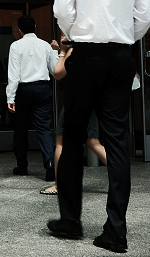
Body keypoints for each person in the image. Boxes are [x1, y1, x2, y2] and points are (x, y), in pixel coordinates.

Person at [49, 0, 150, 253]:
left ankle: (70, 221)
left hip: (87, 55)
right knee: (117, 140)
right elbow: (146, 15)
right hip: (121, 58)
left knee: (73, 135)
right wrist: (124, 40)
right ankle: (115, 230)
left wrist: (77, 35)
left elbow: (62, 9)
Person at [40, 35, 108, 196]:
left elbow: (58, 72)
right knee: (92, 142)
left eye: (64, 33)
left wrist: (62, 52)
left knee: (60, 141)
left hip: (77, 100)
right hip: (93, 99)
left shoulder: (74, 50)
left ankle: (58, 185)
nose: (62, 36)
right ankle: (120, 179)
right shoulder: (93, 48)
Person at [6, 15, 59, 182]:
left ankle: (22, 166)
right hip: (43, 88)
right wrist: (55, 50)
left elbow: (14, 75)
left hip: (24, 90)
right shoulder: (45, 45)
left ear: (20, 29)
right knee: (45, 128)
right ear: (35, 26)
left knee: (20, 128)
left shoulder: (16, 46)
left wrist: (10, 97)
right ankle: (49, 163)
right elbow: (54, 70)